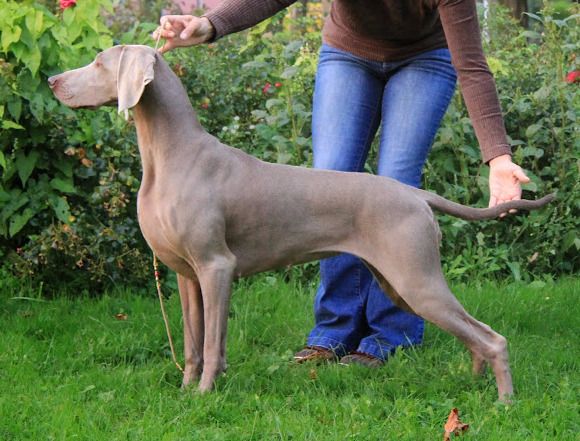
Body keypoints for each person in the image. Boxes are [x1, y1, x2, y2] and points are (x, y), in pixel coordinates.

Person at [153, 0, 530, 367]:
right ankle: (336, 328)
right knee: (330, 179)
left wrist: (498, 157)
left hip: (425, 58)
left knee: (394, 185)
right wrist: (211, 24)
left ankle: (390, 334)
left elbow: (472, 67)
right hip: (349, 52)